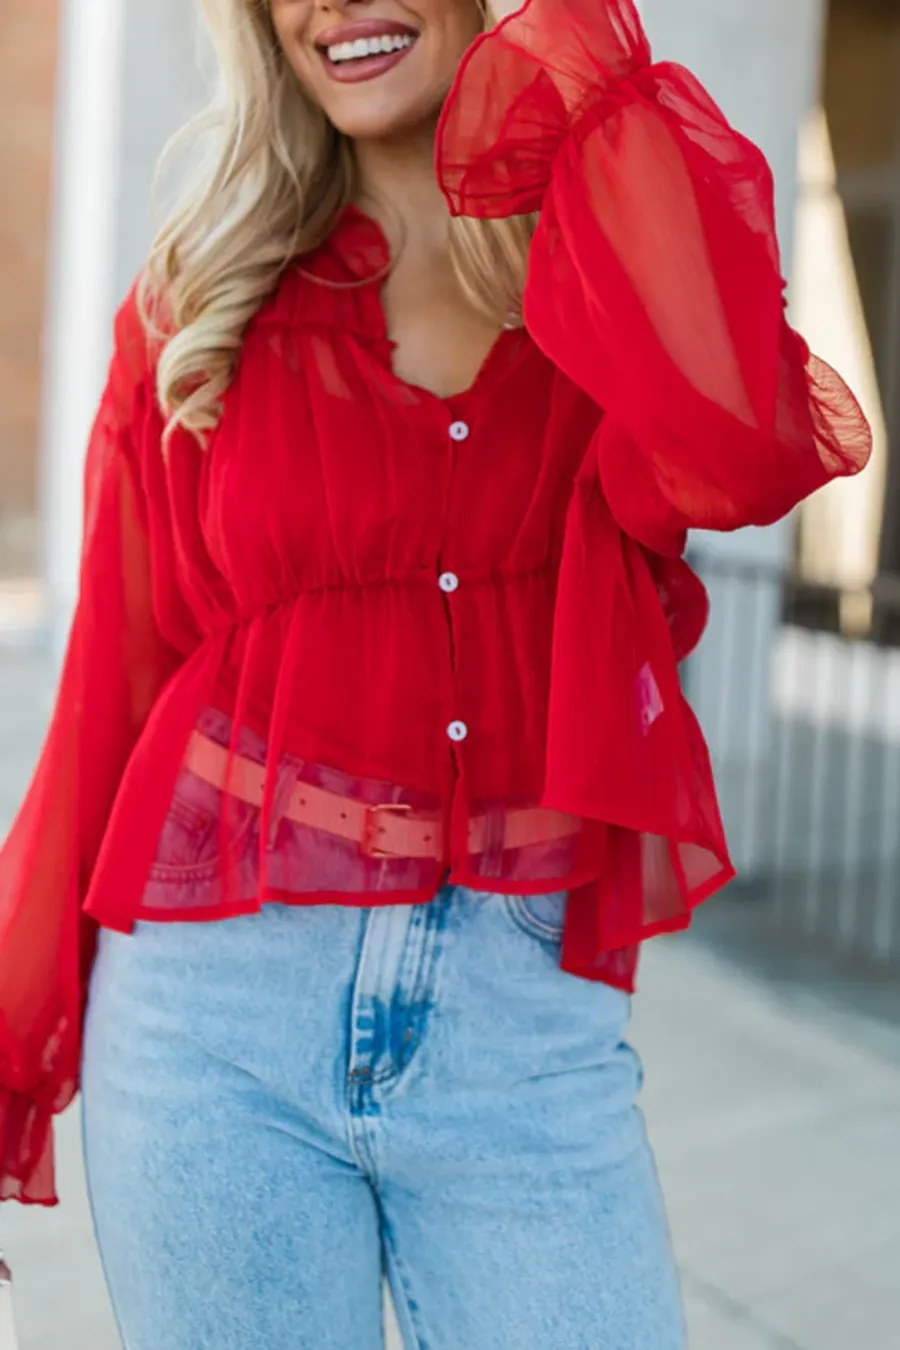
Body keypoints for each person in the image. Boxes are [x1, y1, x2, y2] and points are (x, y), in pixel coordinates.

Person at [0, 0, 870, 1346]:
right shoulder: (201, 301)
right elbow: (109, 690)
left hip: (518, 1027)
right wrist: (15, 1039)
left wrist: (585, 77)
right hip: (214, 1016)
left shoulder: (605, 271)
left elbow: (748, 451)